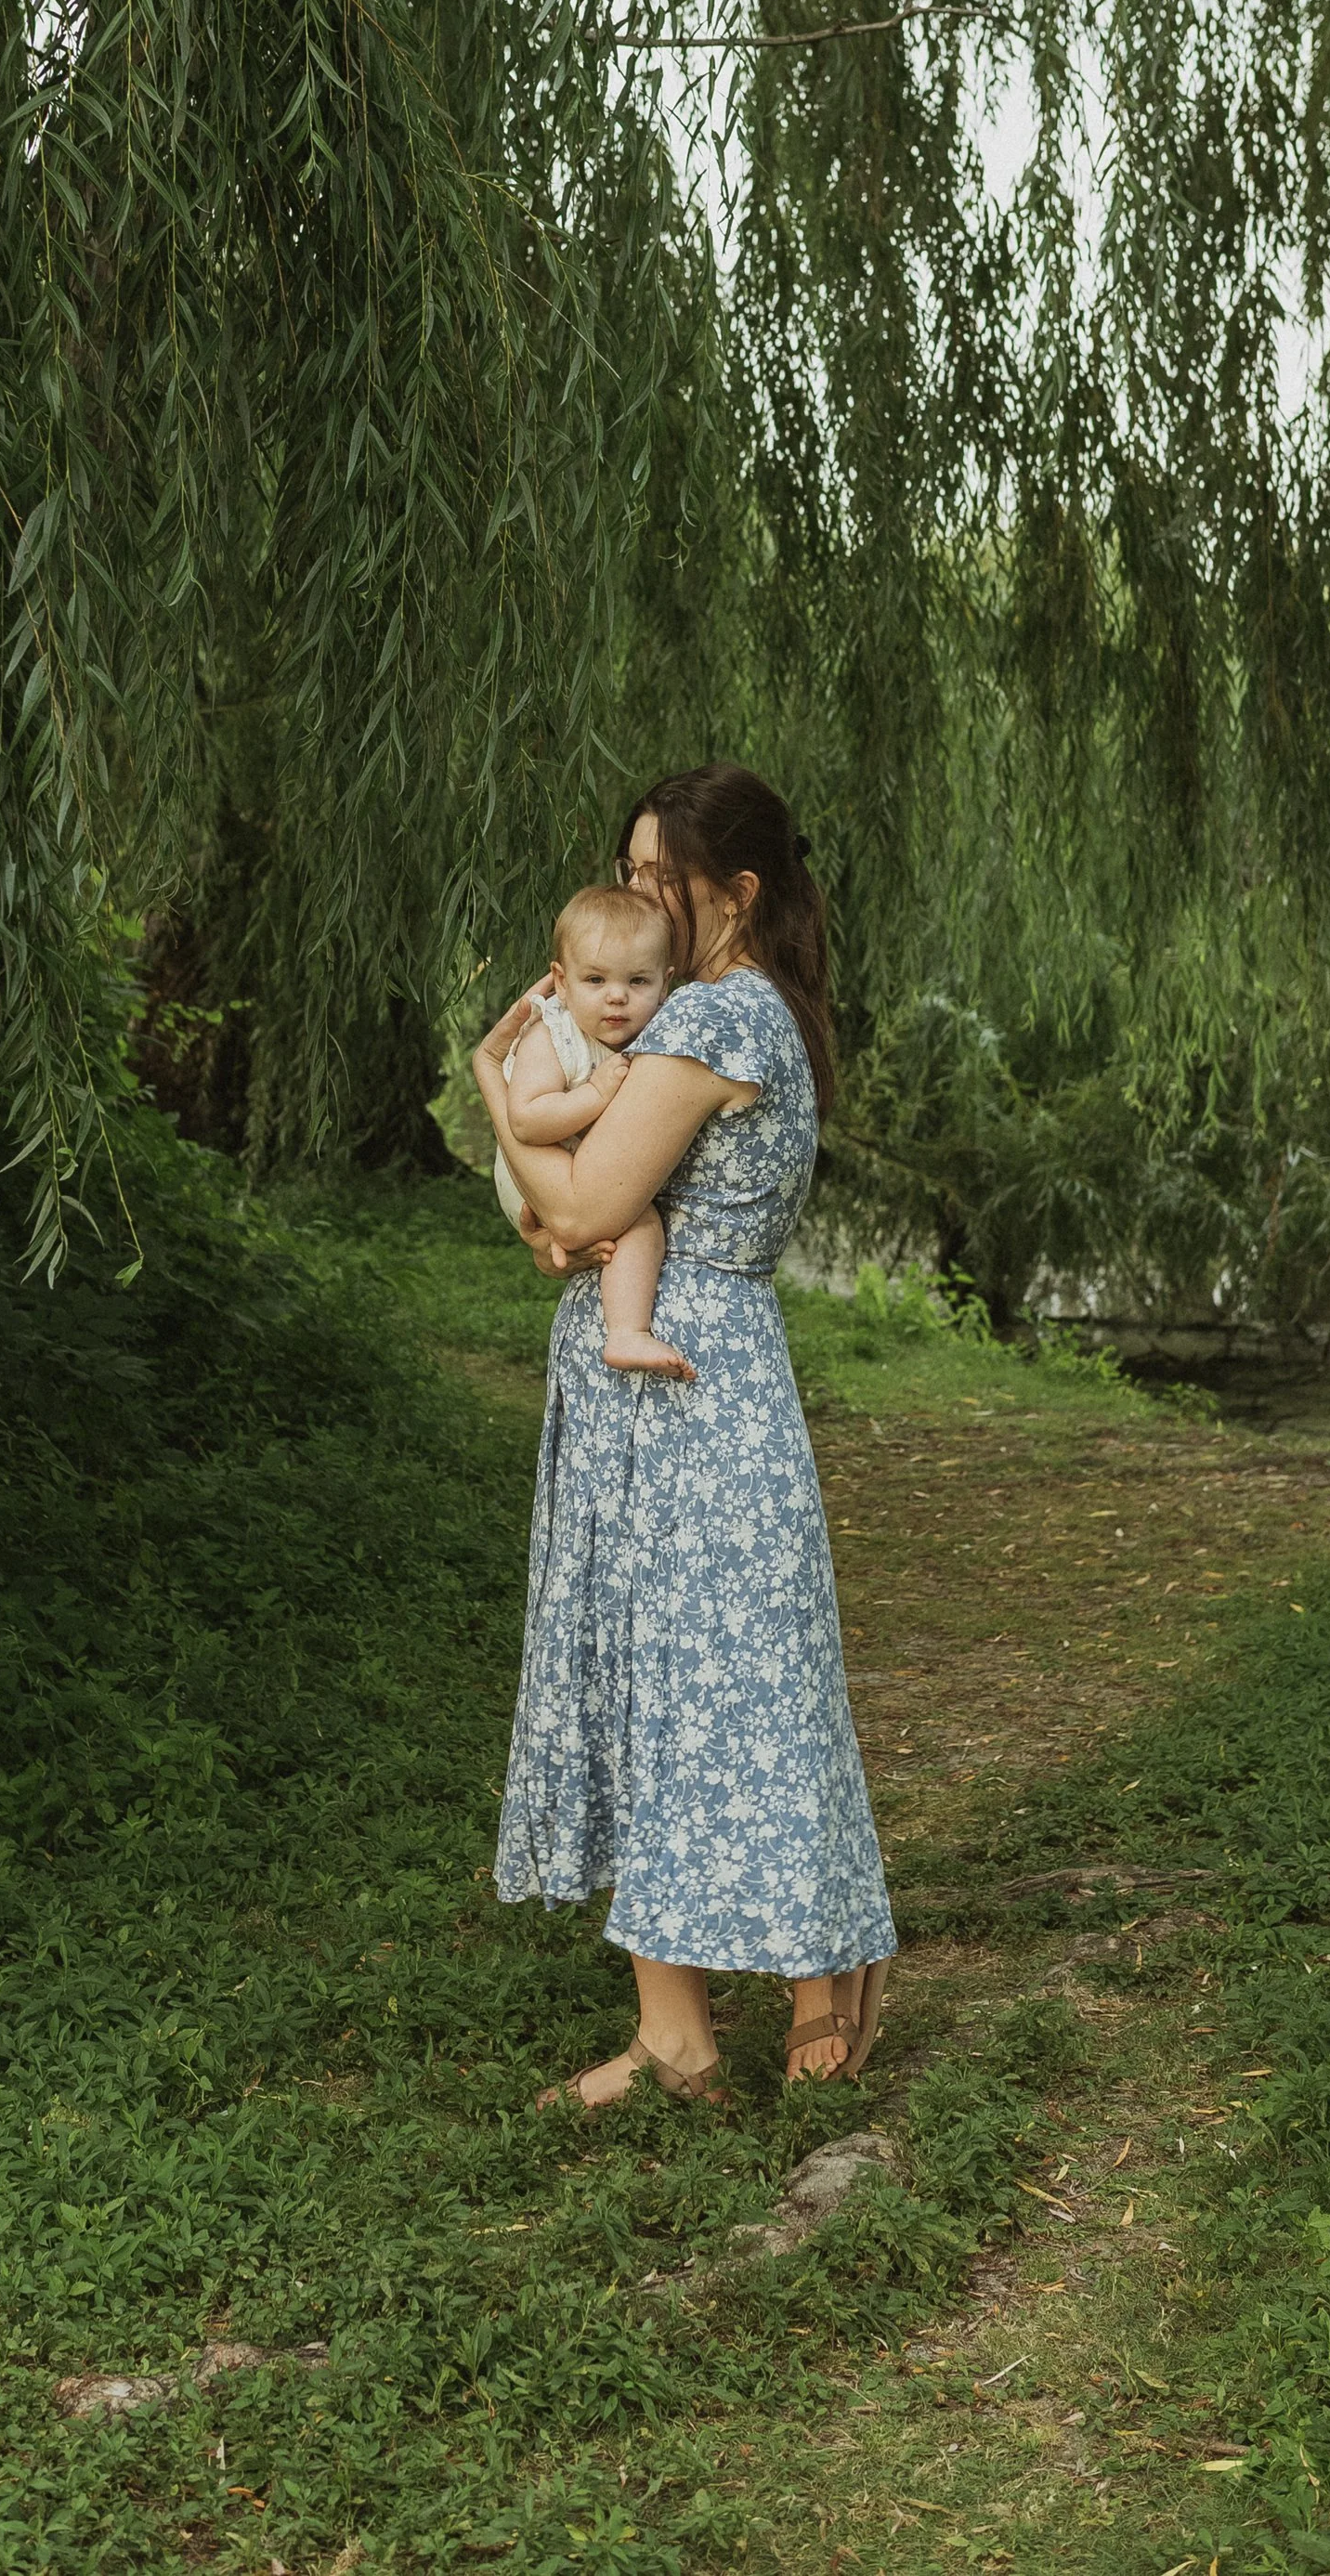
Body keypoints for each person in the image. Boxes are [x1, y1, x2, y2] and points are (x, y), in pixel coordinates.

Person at [473, 761, 895, 2110]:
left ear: (737, 891)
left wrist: (494, 1089)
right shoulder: (732, 1012)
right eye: (632, 865)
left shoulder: (716, 1017)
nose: (638, 895)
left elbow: (595, 1198)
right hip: (673, 1380)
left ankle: (760, 2001)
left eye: (664, 875)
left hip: (686, 1388)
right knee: (676, 1686)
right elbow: (587, 1214)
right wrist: (568, 1222)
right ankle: (688, 2031)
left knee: (710, 1686)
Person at [492, 885, 690, 1377]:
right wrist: (595, 1097)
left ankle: (620, 1325)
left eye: (638, 981)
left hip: (579, 1167)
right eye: (596, 979)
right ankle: (627, 1332)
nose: (617, 996)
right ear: (561, 981)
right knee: (640, 1221)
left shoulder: (657, 1031)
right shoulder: (554, 1034)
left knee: (632, 1223)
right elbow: (525, 1120)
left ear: (665, 985)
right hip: (532, 1169)